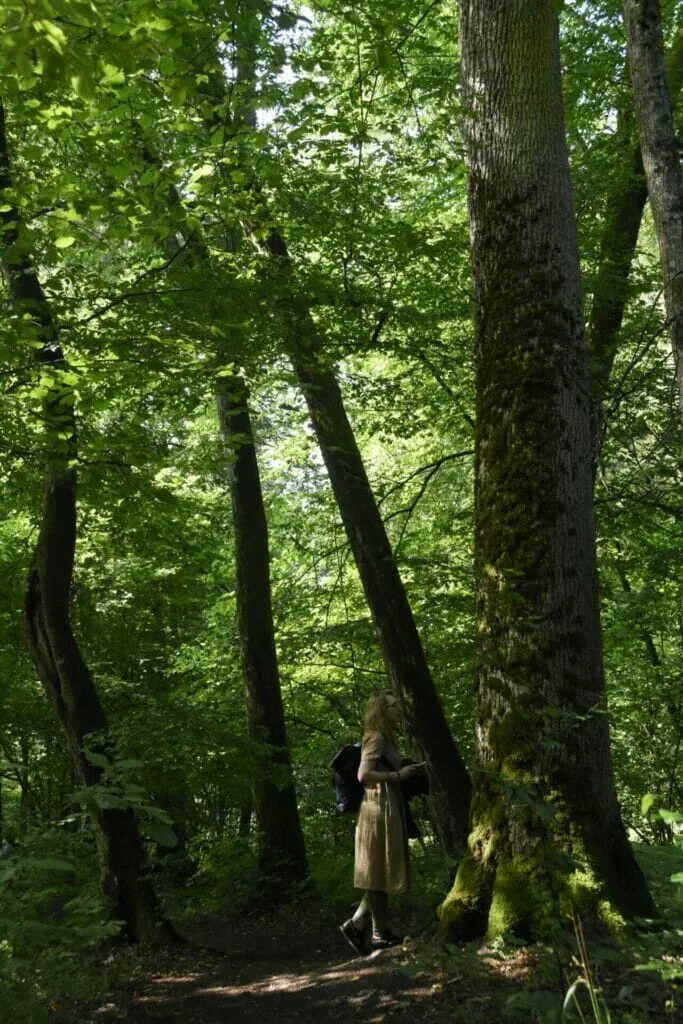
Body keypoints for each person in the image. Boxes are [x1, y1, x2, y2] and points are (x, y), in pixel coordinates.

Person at [340, 690, 425, 955]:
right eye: (392, 705)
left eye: (399, 703)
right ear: (381, 710)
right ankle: (377, 931)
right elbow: (363, 775)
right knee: (378, 869)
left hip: (387, 805)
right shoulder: (375, 737)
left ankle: (361, 926)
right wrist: (399, 775)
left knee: (381, 869)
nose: (399, 708)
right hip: (377, 808)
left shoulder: (387, 738)